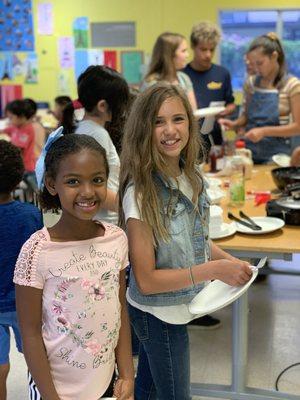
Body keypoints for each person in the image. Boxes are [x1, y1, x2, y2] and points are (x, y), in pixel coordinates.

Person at [119, 83, 252, 400]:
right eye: (158, 121)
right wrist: (213, 270)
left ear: (190, 125)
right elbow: (147, 281)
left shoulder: (190, 176)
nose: (170, 130)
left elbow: (199, 243)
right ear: (144, 129)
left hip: (179, 307)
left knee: (150, 391)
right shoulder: (140, 194)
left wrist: (231, 263)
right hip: (157, 315)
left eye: (178, 119)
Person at [14, 133, 134, 400]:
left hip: (106, 382)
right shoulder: (37, 250)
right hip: (55, 389)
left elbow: (120, 308)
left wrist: (126, 373)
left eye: (97, 180)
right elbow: (30, 333)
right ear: (51, 184)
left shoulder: (116, 239)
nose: (88, 192)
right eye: (73, 182)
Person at [0, 140, 43, 400]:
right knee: (36, 357)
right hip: (25, 302)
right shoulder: (30, 215)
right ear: (18, 180)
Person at [61, 65, 130, 225]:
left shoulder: (86, 128)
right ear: (103, 106)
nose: (123, 109)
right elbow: (93, 189)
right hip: (103, 221)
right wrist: (129, 206)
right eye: (121, 104)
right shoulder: (97, 134)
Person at [219, 33, 300, 164]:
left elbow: (297, 127)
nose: (256, 68)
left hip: (277, 157)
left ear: (274, 56)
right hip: (248, 152)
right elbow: (246, 116)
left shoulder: (292, 86)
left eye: (260, 63)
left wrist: (264, 131)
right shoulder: (251, 83)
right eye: (253, 64)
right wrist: (235, 124)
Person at [183, 21, 236, 149]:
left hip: (215, 138)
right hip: (188, 139)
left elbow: (231, 104)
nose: (208, 55)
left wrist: (225, 111)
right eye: (203, 49)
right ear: (193, 47)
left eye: (211, 50)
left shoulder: (222, 73)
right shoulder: (182, 76)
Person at [141, 32, 197, 110]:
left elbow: (193, 113)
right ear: (170, 55)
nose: (187, 55)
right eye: (183, 51)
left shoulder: (184, 78)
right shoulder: (151, 84)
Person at [2, 99, 37, 190]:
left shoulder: (26, 130)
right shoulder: (17, 126)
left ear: (21, 116)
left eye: (11, 118)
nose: (9, 121)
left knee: (31, 191)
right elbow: (7, 130)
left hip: (26, 169)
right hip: (19, 166)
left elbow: (17, 149)